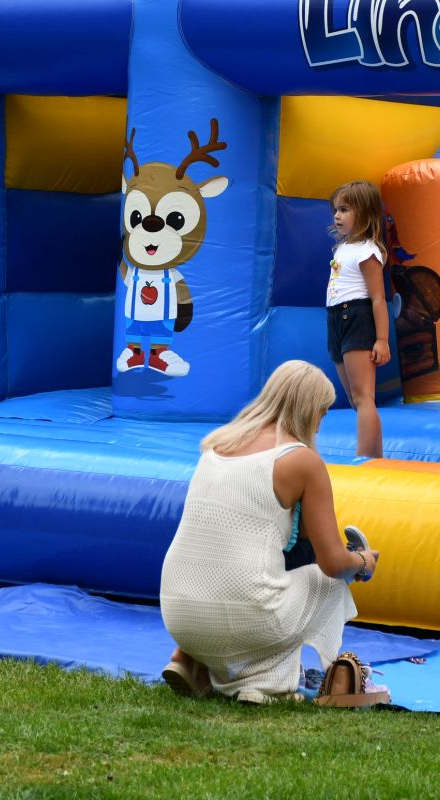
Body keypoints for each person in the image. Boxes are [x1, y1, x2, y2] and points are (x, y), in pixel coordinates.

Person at [159, 360, 382, 703]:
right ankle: (265, 684)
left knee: (248, 563)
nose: (320, 428)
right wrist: (363, 561)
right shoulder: (302, 460)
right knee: (332, 583)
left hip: (178, 613)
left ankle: (188, 658)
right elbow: (334, 563)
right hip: (249, 616)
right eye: (321, 416)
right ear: (310, 412)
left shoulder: (217, 445)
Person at [326, 179, 390, 458]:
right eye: (336, 210)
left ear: (363, 214)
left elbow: (378, 298)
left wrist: (382, 340)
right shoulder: (342, 249)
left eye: (344, 210)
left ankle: (365, 458)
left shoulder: (367, 251)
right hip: (336, 319)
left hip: (356, 316)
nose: (337, 216)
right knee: (355, 399)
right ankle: (374, 456)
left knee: (364, 398)